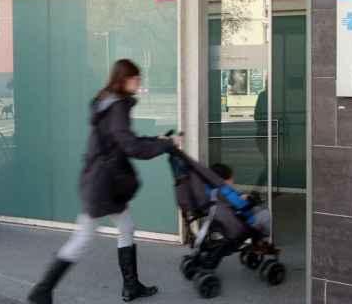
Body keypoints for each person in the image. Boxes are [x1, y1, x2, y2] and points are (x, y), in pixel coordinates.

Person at [27, 59, 177, 304]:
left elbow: (124, 140)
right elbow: (130, 146)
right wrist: (167, 144)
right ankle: (41, 291)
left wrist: (157, 139)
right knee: (83, 238)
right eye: (135, 78)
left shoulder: (107, 103)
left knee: (125, 227)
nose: (139, 82)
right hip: (104, 185)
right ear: (123, 79)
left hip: (105, 181)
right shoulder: (117, 106)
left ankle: (131, 286)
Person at [210, 163, 271, 238]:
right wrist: (247, 200)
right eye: (231, 178)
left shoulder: (212, 191)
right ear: (225, 180)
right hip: (238, 221)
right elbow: (244, 208)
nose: (233, 180)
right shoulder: (227, 193)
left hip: (223, 219)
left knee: (257, 209)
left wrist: (239, 198)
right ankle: (265, 236)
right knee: (265, 214)